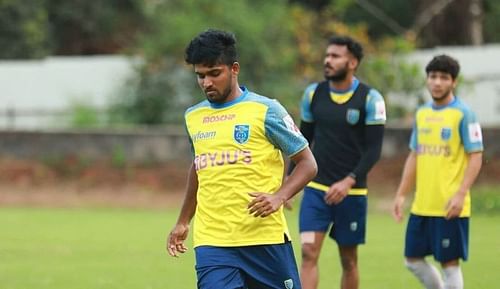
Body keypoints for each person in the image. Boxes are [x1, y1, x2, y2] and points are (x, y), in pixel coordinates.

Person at [166, 29, 317, 289]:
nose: (207, 83)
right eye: (200, 76)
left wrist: (279, 196)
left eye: (215, 73)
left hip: (264, 238)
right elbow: (198, 168)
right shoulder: (193, 116)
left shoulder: (267, 110)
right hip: (213, 241)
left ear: (234, 69)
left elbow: (308, 164)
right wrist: (182, 221)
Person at [292, 36, 386, 289]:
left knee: (348, 260)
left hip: (352, 193)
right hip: (316, 190)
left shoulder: (370, 99)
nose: (328, 60)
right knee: (309, 253)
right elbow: (301, 142)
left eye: (335, 56)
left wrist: (349, 180)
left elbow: (374, 149)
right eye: (327, 55)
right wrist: (290, 186)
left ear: (352, 62)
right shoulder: (313, 94)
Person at [392, 54, 483, 289]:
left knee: (449, 264)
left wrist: (461, 194)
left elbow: (476, 156)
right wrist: (402, 194)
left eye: (444, 77)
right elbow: (415, 155)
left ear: (454, 82)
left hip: (450, 205)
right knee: (412, 260)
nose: (437, 82)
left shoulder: (464, 114)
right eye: (433, 76)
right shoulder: (422, 114)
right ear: (427, 80)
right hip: (422, 204)